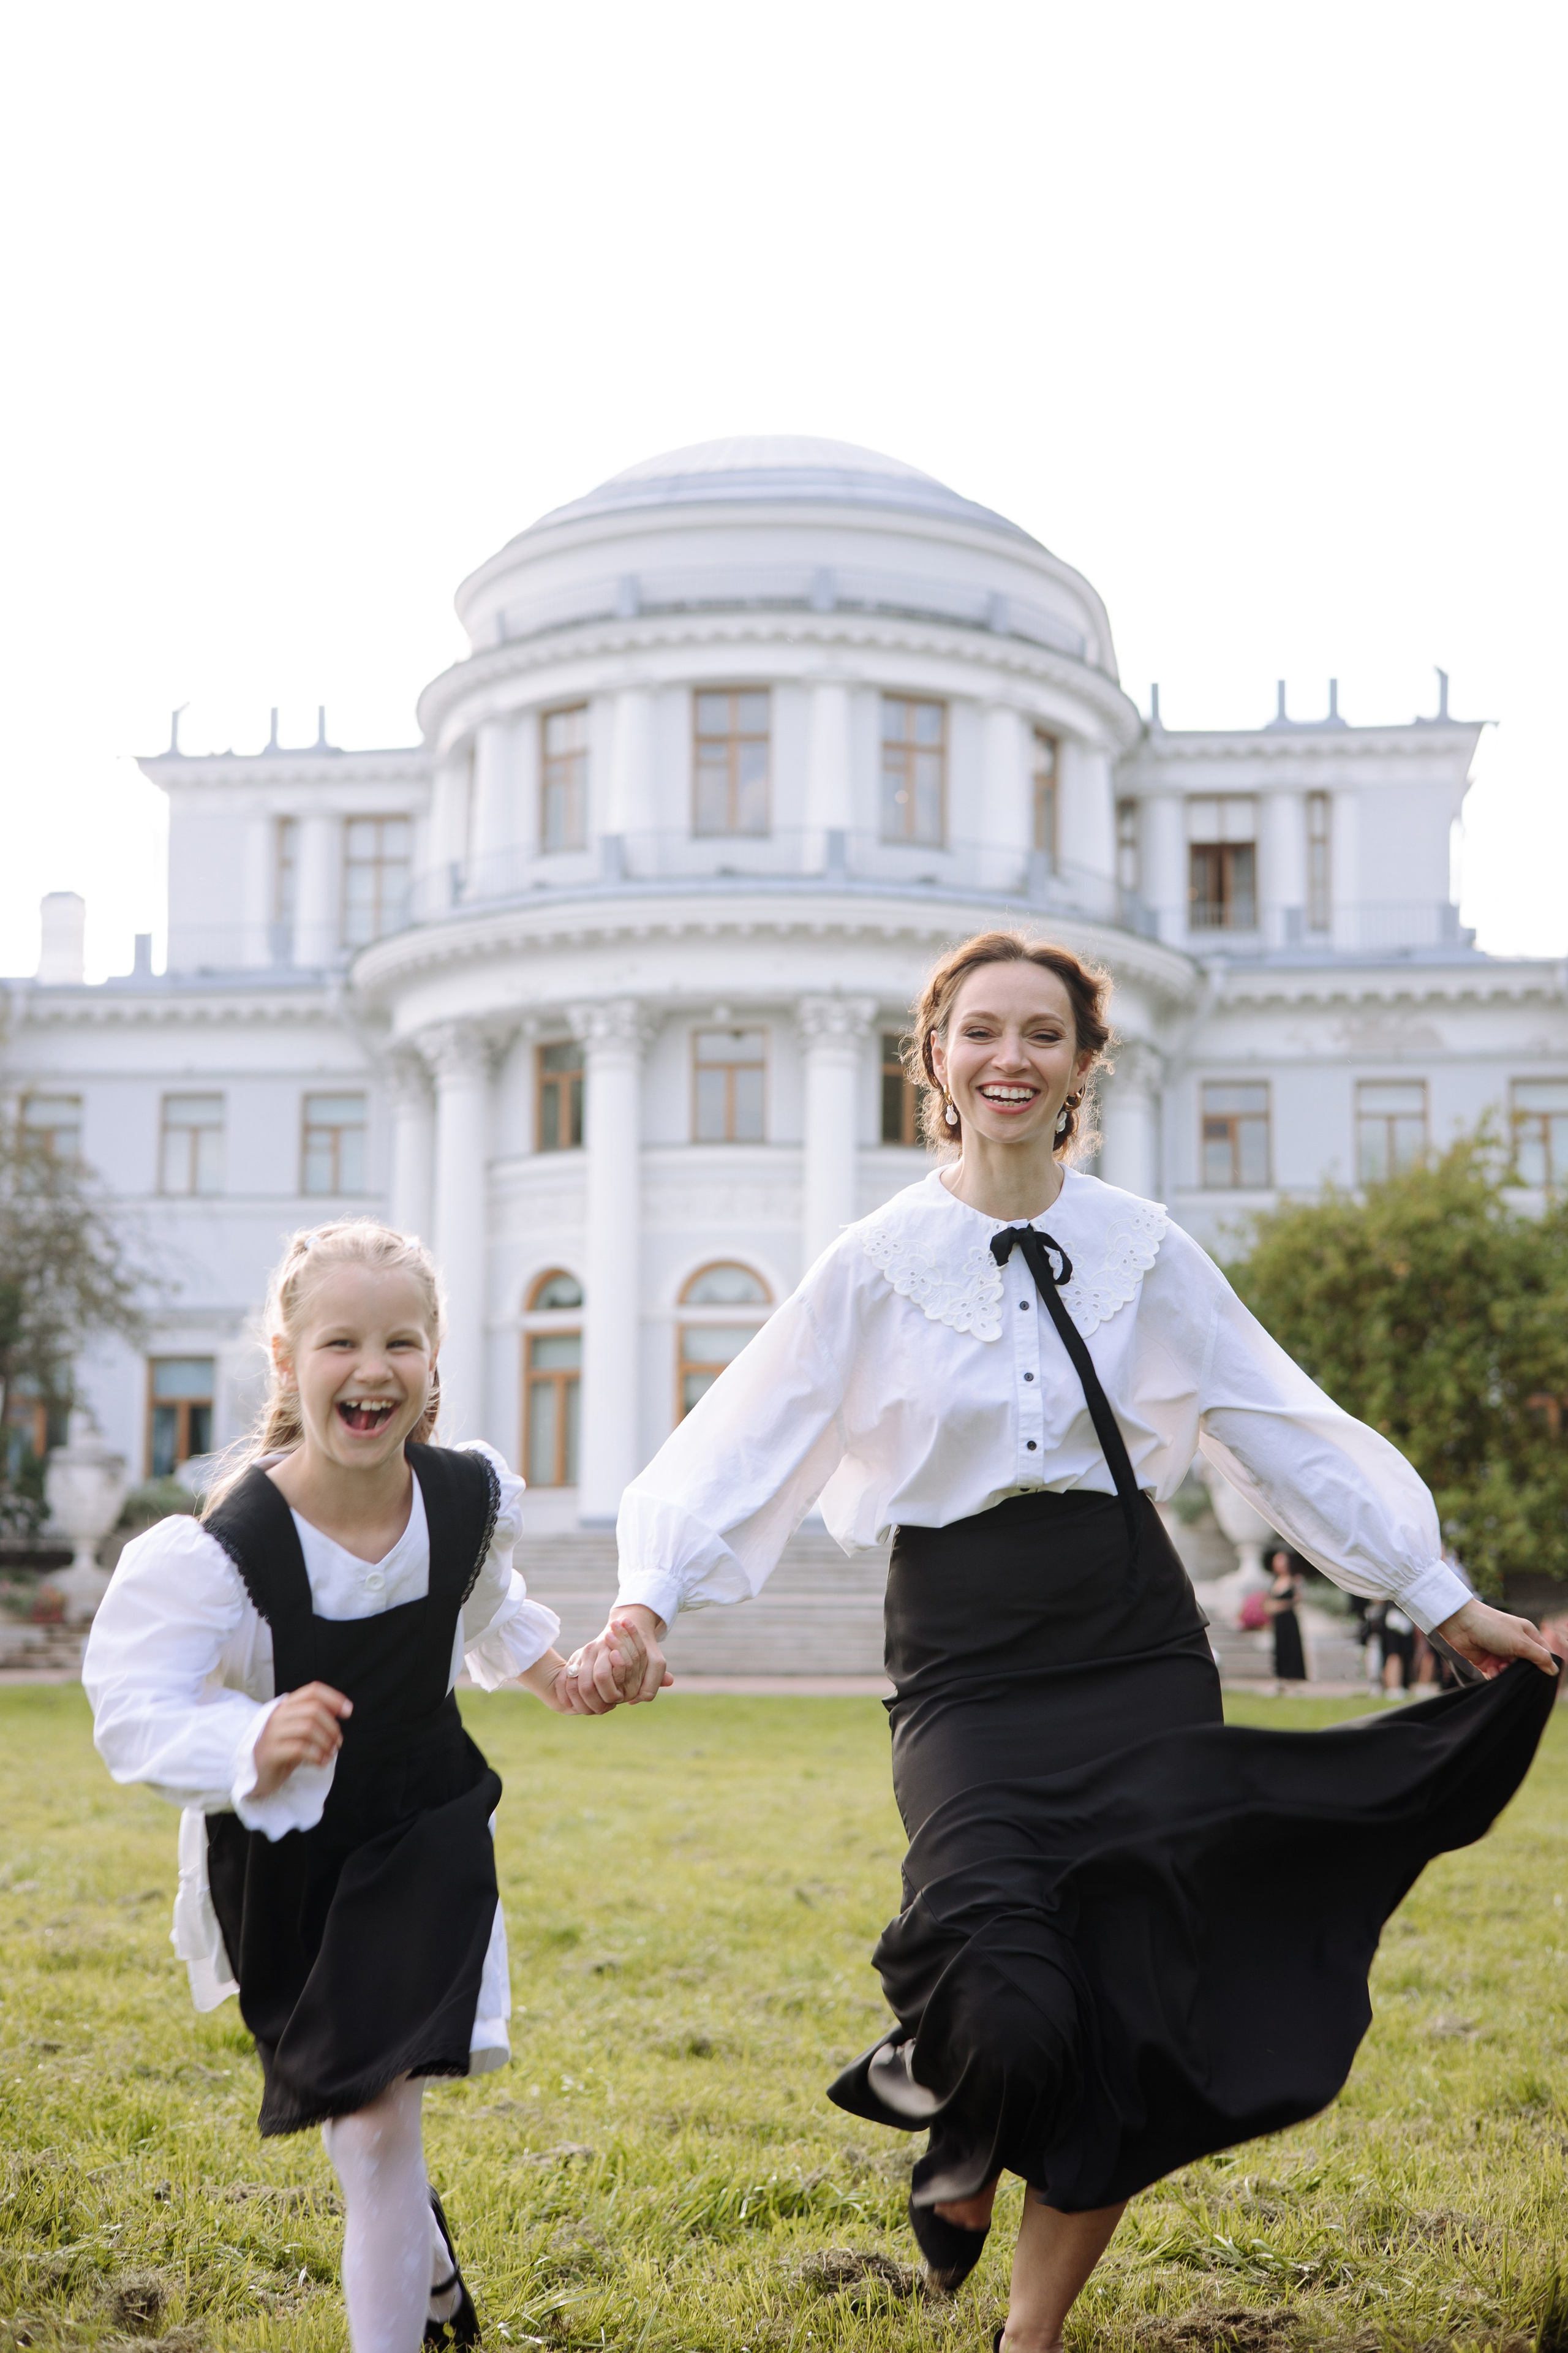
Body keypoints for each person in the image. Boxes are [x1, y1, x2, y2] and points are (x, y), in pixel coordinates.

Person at [567, 930, 1559, 2353]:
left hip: (1130, 1635)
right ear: (934, 1058)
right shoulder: (876, 1260)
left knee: (1131, 1999)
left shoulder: (1142, 1246)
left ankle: (1026, 2332)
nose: (1008, 1057)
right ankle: (960, 2091)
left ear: (1086, 1063)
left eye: (1042, 1032)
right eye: (979, 1030)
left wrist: (1433, 1590)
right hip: (966, 1654)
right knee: (998, 1967)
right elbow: (751, 1429)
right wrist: (646, 1592)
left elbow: (1278, 1428)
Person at [83, 1220, 649, 2353]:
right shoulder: (222, 1555)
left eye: (403, 1342)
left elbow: (483, 1607)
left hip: (423, 1832)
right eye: (341, 1341)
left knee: (382, 2132)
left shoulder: (463, 1499)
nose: (375, 1368)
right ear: (288, 1360)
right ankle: (428, 2275)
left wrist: (567, 1676)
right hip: (286, 1868)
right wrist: (252, 1738)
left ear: (435, 1360)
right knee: (364, 2135)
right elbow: (132, 1708)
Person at [1264, 1547, 1307, 1682]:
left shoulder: (1295, 1580)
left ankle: (1294, 1677)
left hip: (1289, 1619)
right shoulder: (1274, 1581)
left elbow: (1298, 1599)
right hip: (1278, 1620)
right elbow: (1267, 1601)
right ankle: (1280, 1676)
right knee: (1279, 1647)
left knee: (1291, 1647)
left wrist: (1281, 1605)